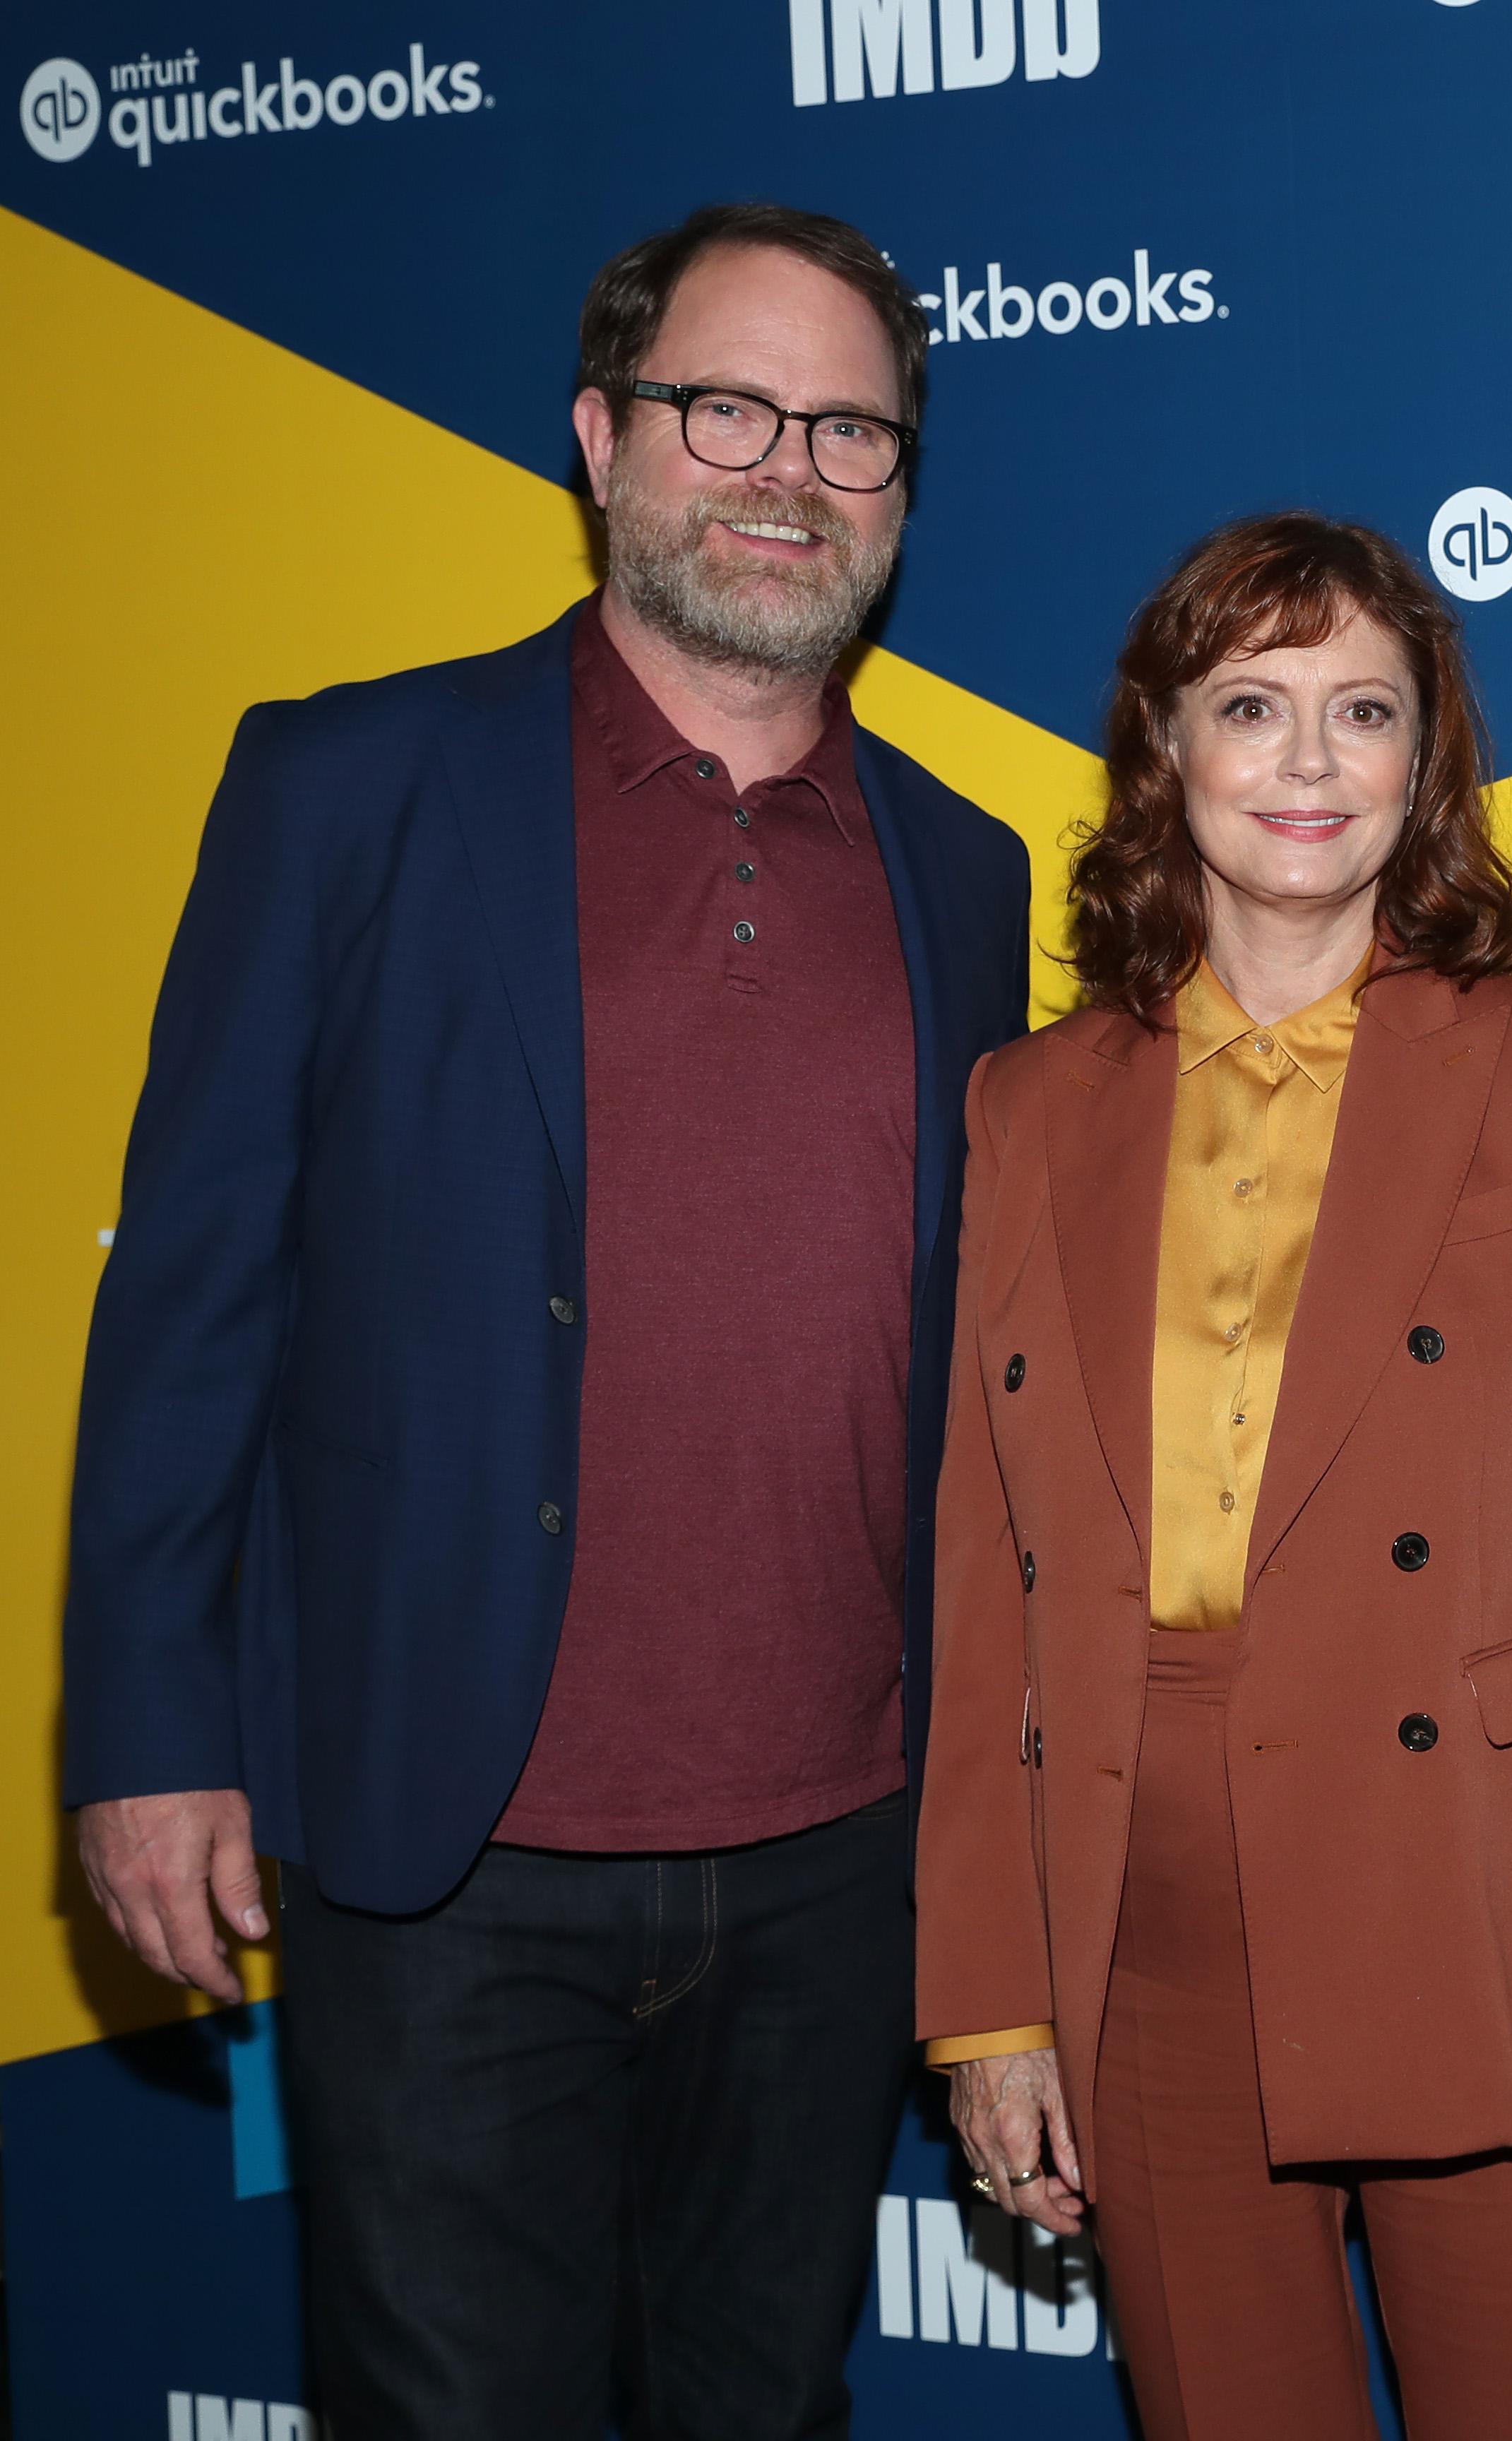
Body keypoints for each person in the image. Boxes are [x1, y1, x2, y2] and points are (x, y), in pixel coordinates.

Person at [61, 203, 1033, 2432]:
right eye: (725, 408)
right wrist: (144, 1731)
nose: (785, 468)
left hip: (837, 1861)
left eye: (851, 430)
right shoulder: (349, 786)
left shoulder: (968, 871)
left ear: (901, 490)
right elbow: (192, 1289)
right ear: (603, 439)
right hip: (445, 1847)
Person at [915, 511, 1512, 2441]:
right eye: (1251, 706)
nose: (1309, 762)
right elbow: (980, 1585)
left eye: (1364, 712)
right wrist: (989, 1995)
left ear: (1423, 769)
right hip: (1144, 1919)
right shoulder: (1028, 1109)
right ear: (1163, 749)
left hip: (1476, 1900)